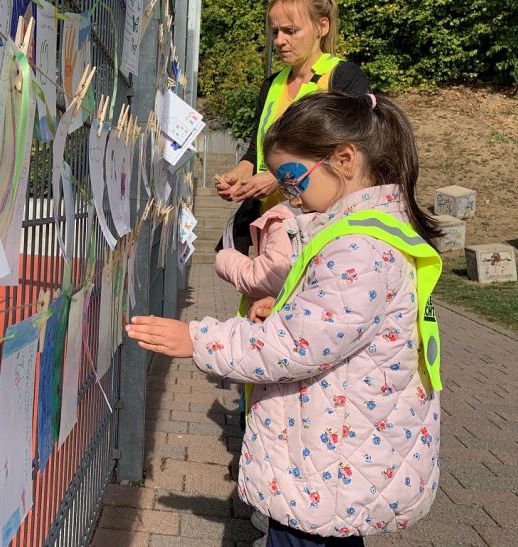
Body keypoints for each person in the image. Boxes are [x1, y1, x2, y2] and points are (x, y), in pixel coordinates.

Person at [127, 92, 443, 546]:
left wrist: (196, 339)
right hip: (333, 461)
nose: (289, 195)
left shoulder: (360, 248)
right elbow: (332, 322)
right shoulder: (366, 233)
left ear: (345, 159)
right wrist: (287, 305)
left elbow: (292, 346)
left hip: (326, 469)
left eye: (293, 178)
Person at [214, 0, 370, 255]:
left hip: (323, 229)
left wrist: (280, 178)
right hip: (272, 229)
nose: (279, 41)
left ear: (322, 26)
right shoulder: (271, 85)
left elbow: (353, 153)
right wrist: (241, 172)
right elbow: (257, 150)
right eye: (275, 31)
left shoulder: (344, 78)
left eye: (291, 31)